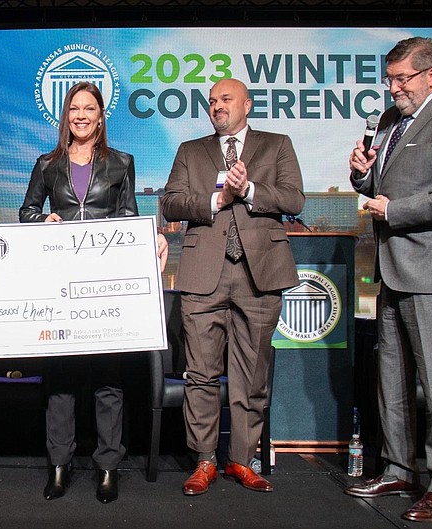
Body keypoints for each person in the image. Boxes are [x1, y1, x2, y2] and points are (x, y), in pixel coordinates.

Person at [343, 37, 432, 523]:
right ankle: (399, 468)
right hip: (393, 268)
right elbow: (381, 185)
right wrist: (365, 176)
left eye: (402, 79)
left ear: (431, 74)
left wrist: (395, 209)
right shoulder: (388, 122)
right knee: (393, 380)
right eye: (389, 79)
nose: (393, 88)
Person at [19, 81, 168, 504]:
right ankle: (60, 466)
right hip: (59, 286)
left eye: (89, 109)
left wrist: (151, 238)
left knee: (108, 380)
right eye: (74, 109)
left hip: (106, 289)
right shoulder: (47, 163)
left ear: (101, 116)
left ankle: (107, 468)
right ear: (65, 117)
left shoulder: (122, 162)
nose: (81, 115)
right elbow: (26, 211)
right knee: (61, 381)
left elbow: (130, 218)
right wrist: (42, 219)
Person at [161, 78, 304, 496]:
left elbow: (294, 199)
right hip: (204, 272)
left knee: (251, 375)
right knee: (201, 374)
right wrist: (216, 201)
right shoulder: (192, 151)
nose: (217, 106)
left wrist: (251, 190)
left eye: (225, 99)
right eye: (211, 102)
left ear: (247, 104)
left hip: (260, 273)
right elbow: (170, 202)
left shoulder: (277, 144)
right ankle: (204, 461)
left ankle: (242, 460)